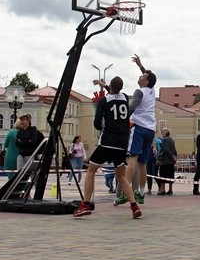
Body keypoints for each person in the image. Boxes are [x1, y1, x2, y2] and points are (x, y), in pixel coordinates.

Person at [74, 76, 141, 219]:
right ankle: (134, 207)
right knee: (121, 176)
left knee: (91, 170)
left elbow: (97, 124)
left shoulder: (104, 101)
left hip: (107, 141)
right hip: (122, 142)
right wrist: (104, 85)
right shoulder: (124, 98)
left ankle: (85, 204)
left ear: (110, 87)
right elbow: (114, 93)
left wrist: (104, 118)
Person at [115, 54, 156, 206]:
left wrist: (124, 118)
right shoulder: (152, 89)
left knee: (131, 159)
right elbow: (150, 76)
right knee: (143, 164)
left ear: (145, 81)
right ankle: (141, 193)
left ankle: (127, 193)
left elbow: (133, 106)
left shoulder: (139, 92)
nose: (140, 76)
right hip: (150, 130)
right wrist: (140, 65)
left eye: (142, 76)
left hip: (138, 127)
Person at [157, 128, 178, 195]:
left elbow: (165, 149)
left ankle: (163, 189)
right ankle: (170, 189)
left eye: (162, 132)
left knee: (163, 175)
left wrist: (171, 156)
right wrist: (174, 157)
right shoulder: (172, 139)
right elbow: (174, 149)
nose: (161, 133)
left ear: (166, 133)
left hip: (165, 161)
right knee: (170, 175)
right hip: (171, 161)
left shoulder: (165, 140)